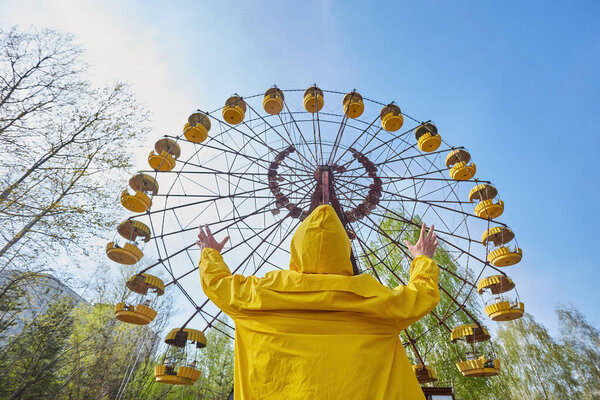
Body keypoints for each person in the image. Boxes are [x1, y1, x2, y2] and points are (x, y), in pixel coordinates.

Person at [197, 205, 440, 400]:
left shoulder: (258, 295)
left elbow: (216, 283)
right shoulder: (376, 300)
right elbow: (422, 294)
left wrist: (210, 252)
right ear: (344, 250)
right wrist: (422, 258)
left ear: (297, 247)